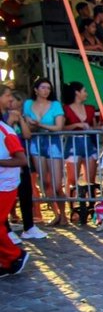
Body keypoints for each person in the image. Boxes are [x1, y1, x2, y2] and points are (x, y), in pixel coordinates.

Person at [23, 78, 68, 226]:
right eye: (43, 87)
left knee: (56, 184)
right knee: (44, 181)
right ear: (36, 90)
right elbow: (26, 125)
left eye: (48, 88)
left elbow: (59, 126)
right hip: (36, 143)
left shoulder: (55, 105)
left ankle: (63, 214)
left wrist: (40, 124)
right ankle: (56, 213)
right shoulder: (28, 104)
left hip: (53, 143)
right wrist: (31, 124)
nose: (46, 90)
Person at [2, 89, 46, 240]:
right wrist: (10, 121)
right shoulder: (4, 118)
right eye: (8, 97)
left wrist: (20, 119)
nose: (11, 101)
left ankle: (29, 226)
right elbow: (4, 135)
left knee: (26, 192)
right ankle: (6, 230)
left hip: (20, 157)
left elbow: (26, 135)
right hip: (8, 161)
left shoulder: (18, 116)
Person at [0, 86, 30, 278]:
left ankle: (15, 256)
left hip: (5, 185)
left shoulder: (6, 130)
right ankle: (8, 259)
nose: (10, 98)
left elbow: (22, 160)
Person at [62, 82, 100, 223]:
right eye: (84, 90)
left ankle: (92, 209)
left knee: (91, 179)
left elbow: (95, 127)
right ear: (77, 92)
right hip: (73, 143)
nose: (86, 93)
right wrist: (76, 125)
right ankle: (73, 209)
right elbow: (62, 127)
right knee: (72, 179)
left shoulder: (90, 108)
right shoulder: (65, 109)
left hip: (89, 143)